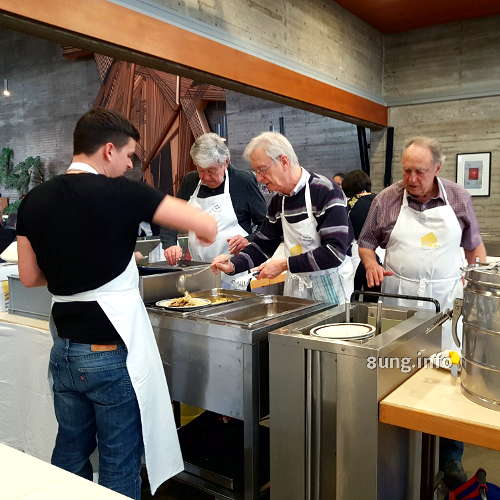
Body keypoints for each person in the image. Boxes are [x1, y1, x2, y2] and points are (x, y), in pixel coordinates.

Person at [16, 108, 217, 499]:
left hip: (64, 351)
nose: (129, 164)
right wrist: (205, 235)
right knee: (119, 461)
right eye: (128, 156)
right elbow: (203, 223)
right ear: (108, 150)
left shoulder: (33, 200)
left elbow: (29, 277)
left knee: (70, 452)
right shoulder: (122, 192)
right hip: (109, 355)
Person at [358, 136, 486, 490]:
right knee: (398, 374)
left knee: (448, 380)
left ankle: (451, 461)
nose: (411, 178)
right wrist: (370, 264)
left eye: (420, 171)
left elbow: (474, 246)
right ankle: (396, 455)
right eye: (407, 170)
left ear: (437, 169)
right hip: (401, 301)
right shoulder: (386, 199)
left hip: (447, 301)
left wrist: (480, 290)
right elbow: (366, 242)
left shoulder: (458, 197)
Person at [211, 132, 353, 304]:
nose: (259, 178)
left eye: (262, 170)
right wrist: (233, 265)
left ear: (284, 161)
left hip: (331, 288)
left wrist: (285, 265)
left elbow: (334, 252)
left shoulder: (326, 191)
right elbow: (263, 246)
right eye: (255, 172)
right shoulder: (279, 201)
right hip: (297, 289)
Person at [160, 132, 266, 288]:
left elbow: (267, 225)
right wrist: (169, 244)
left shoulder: (243, 181)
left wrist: (248, 240)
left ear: (226, 162)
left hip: (236, 272)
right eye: (200, 170)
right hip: (200, 271)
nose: (205, 177)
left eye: (211, 171)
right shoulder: (191, 181)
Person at [342, 169, 381, 299]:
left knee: (355, 296)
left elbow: (344, 236)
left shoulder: (348, 206)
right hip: (384, 255)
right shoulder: (382, 200)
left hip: (358, 255)